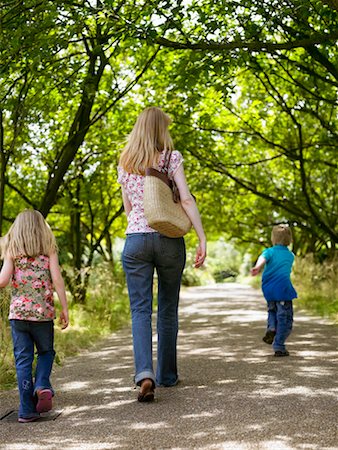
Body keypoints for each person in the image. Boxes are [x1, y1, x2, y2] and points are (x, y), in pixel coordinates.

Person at [118, 106, 206, 402]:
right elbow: (185, 199)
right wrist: (201, 237)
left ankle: (145, 374)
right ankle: (167, 375)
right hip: (169, 238)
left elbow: (129, 208)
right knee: (167, 307)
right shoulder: (171, 157)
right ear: (161, 128)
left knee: (140, 310)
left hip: (136, 241)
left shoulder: (125, 160)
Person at [0, 209, 69, 422]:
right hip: (43, 315)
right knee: (46, 352)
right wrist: (65, 307)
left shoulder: (12, 249)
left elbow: (2, 280)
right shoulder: (48, 248)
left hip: (18, 315)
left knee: (23, 360)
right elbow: (57, 279)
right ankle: (41, 384)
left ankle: (26, 410)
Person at [250, 224, 297, 357]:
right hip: (282, 289)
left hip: (268, 289)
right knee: (285, 319)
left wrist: (257, 267)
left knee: (272, 310)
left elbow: (263, 258)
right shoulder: (290, 255)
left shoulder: (269, 251)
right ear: (289, 240)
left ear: (273, 239)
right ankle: (279, 346)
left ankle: (272, 327)